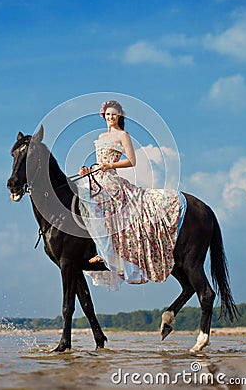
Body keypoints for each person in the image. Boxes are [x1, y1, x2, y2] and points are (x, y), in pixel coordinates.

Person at [77, 100, 186, 290]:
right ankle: (93, 247)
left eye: (114, 114)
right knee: (82, 203)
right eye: (108, 114)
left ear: (119, 116)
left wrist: (110, 165)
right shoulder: (101, 136)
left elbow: (132, 161)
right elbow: (99, 162)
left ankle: (105, 252)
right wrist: (89, 170)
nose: (111, 117)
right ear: (103, 115)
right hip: (97, 176)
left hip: (111, 179)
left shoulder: (123, 135)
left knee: (104, 207)